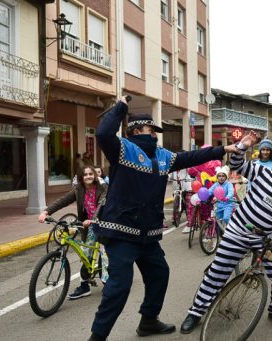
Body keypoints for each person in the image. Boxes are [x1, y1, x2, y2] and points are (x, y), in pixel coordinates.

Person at [87, 97, 238, 341]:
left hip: (147, 233)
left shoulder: (163, 156)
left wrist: (222, 150)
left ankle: (148, 321)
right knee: (119, 286)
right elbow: (104, 133)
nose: (155, 135)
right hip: (122, 231)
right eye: (151, 130)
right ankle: (97, 337)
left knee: (159, 274)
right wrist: (120, 108)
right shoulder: (123, 148)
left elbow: (191, 157)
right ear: (137, 130)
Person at [180, 131, 272, 333]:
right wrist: (243, 146)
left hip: (265, 239)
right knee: (217, 273)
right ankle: (196, 311)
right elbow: (238, 166)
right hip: (238, 231)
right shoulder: (263, 173)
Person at [38, 166, 108, 299]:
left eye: (90, 174)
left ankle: (109, 284)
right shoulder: (79, 189)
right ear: (81, 177)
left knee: (105, 256)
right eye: (85, 174)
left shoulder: (103, 188)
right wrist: (46, 212)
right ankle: (84, 286)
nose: (88, 176)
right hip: (88, 225)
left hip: (104, 223)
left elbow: (101, 204)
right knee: (85, 254)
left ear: (94, 175)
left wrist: (92, 219)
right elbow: (63, 200)